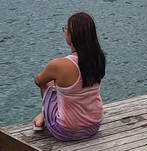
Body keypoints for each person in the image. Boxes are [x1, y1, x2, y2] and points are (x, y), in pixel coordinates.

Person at [32, 12, 105, 141]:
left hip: (67, 131)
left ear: (72, 35)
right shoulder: (98, 58)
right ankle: (46, 114)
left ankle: (45, 114)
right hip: (95, 125)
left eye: (66, 29)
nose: (64, 31)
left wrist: (54, 81)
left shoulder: (59, 65)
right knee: (64, 87)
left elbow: (38, 81)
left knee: (47, 84)